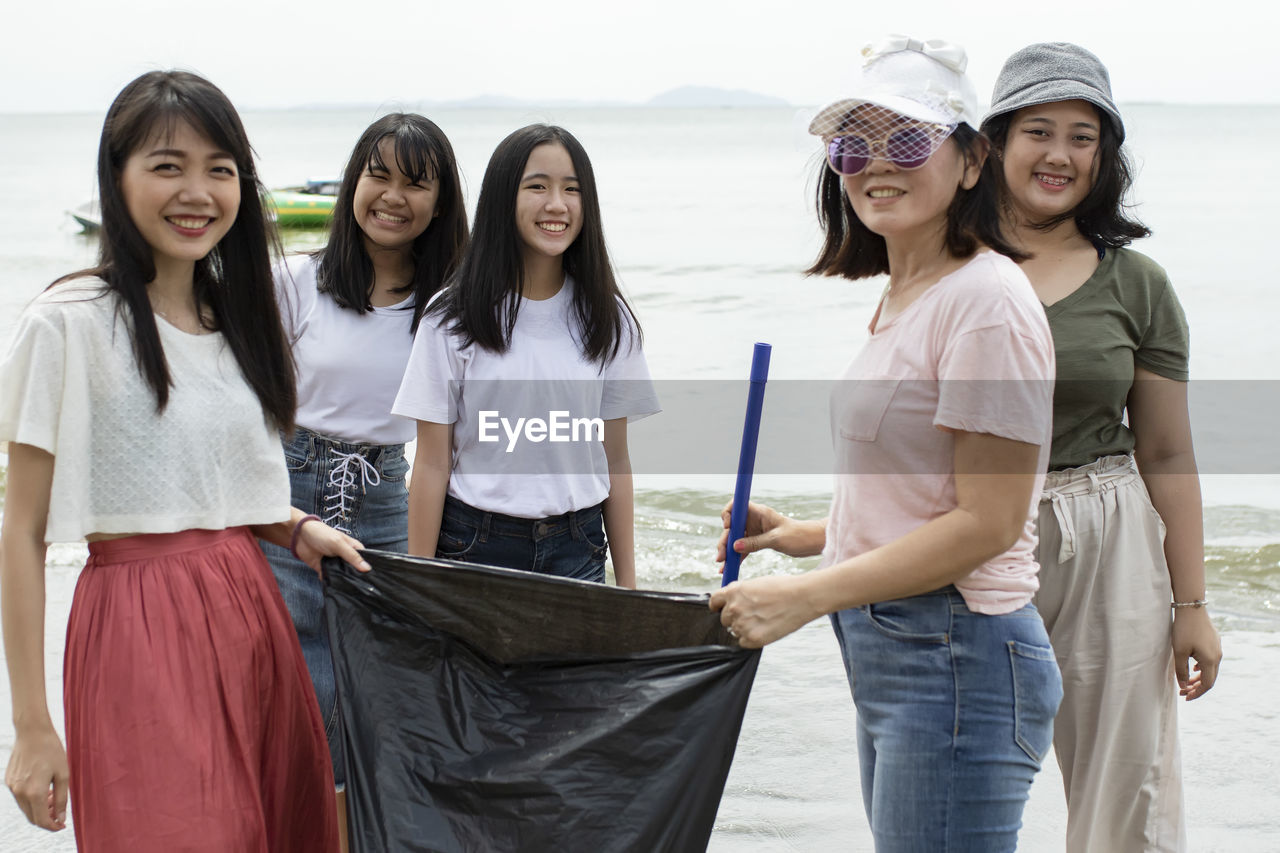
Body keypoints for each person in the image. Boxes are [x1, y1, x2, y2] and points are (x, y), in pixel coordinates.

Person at [0, 70, 368, 852]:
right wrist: (32, 726)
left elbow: (219, 483)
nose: (196, 191)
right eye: (167, 165)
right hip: (136, 625)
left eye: (219, 168)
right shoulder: (64, 324)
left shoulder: (237, 321)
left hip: (252, 613)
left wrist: (299, 528)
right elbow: (21, 531)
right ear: (118, 175)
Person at [709, 36, 1062, 851]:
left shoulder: (985, 301)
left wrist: (806, 596)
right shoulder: (912, 292)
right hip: (907, 649)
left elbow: (989, 523)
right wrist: (799, 537)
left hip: (956, 651)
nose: (876, 163)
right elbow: (925, 494)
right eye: (851, 146)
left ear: (973, 160)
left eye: (907, 139)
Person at [979, 42, 1222, 852]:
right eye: (1039, 130)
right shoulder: (946, 264)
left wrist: (1192, 606)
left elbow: (1168, 453)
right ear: (995, 145)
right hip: (973, 533)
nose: (1059, 154)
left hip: (1108, 527)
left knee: (1126, 793)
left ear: (1105, 155)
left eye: (1083, 135)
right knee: (963, 776)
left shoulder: (1137, 283)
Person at [261, 113, 467, 821]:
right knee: (291, 694)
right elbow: (241, 403)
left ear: (439, 204)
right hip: (287, 493)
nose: (393, 195)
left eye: (416, 182)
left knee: (375, 708)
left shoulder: (450, 306)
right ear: (354, 182)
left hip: (384, 501)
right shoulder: (294, 280)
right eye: (379, 174)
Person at [393, 124, 658, 587]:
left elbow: (615, 460)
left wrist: (629, 587)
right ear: (502, 199)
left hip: (579, 547)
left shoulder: (608, 318)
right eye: (537, 186)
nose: (557, 204)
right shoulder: (452, 316)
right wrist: (422, 584)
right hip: (473, 544)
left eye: (572, 190)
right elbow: (432, 463)